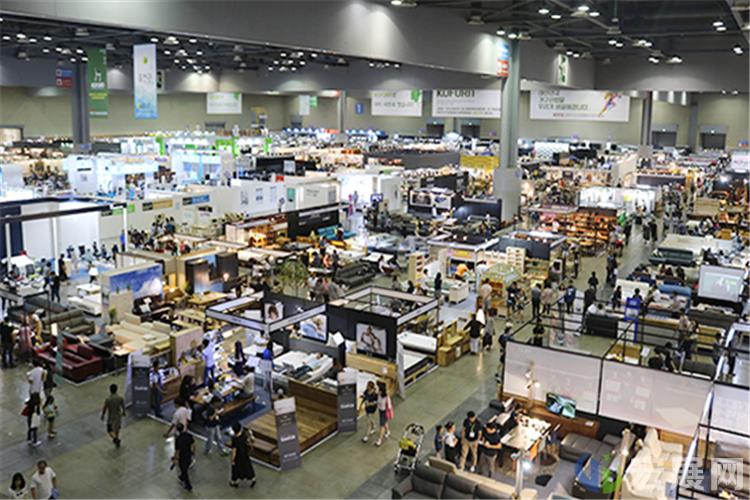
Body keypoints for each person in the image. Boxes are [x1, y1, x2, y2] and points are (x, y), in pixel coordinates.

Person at [229, 422, 256, 488]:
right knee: (247, 467)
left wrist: (232, 460)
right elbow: (249, 441)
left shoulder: (234, 439)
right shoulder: (244, 435)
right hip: (245, 454)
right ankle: (253, 478)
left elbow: (234, 451)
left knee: (236, 469)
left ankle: (234, 481)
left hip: (238, 457)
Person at [101, 383, 125, 448]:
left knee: (109, 430)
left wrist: (103, 415)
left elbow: (105, 408)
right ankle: (117, 440)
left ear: (110, 390)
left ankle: (115, 439)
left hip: (111, 417)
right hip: (118, 416)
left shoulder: (108, 399)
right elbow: (123, 406)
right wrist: (124, 412)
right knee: (117, 429)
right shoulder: (120, 398)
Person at [173, 423, 195, 492]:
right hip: (188, 455)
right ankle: (181, 477)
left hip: (182, 457)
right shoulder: (188, 435)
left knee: (184, 470)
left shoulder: (178, 439)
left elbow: (177, 451)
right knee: (186, 468)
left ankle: (188, 486)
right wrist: (193, 453)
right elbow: (193, 444)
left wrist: (176, 459)